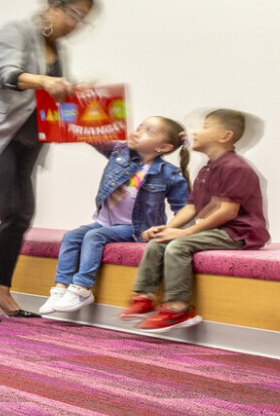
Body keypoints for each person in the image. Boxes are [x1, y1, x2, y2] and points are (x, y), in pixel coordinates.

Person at [0, 0, 98, 320]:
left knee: (21, 213)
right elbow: (6, 74)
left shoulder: (58, 51)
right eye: (74, 14)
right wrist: (45, 82)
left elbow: (51, 93)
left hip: (29, 140)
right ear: (52, 7)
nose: (76, 24)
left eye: (84, 21)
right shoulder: (15, 32)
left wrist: (73, 89)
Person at [120, 108, 268, 331]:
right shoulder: (207, 168)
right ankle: (143, 296)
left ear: (225, 136)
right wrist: (167, 229)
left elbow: (227, 212)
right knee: (158, 242)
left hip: (239, 232)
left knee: (178, 246)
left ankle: (178, 308)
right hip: (217, 229)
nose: (195, 131)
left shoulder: (234, 167)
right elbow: (191, 208)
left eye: (205, 126)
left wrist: (183, 233)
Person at [37, 117, 192, 318]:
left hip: (136, 228)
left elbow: (185, 208)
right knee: (71, 236)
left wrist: (181, 233)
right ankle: (60, 288)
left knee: (94, 237)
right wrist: (76, 113)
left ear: (163, 147)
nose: (137, 132)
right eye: (139, 127)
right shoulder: (120, 152)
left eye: (148, 131)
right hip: (104, 221)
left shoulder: (169, 173)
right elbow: (94, 137)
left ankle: (81, 289)